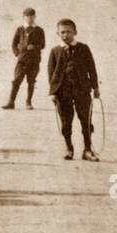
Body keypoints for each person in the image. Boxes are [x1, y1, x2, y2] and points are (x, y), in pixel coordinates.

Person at [47, 19, 100, 161]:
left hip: (82, 90)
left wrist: (95, 88)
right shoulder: (55, 51)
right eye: (62, 32)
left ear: (75, 32)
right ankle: (69, 148)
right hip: (62, 92)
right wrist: (52, 92)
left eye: (68, 32)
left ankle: (87, 150)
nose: (65, 35)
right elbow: (51, 73)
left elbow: (92, 69)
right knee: (65, 121)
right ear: (58, 34)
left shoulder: (84, 48)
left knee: (86, 121)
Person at [3, 7, 46, 109]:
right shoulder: (20, 29)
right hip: (22, 60)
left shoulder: (39, 30)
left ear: (35, 17)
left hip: (34, 60)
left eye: (32, 16)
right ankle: (11, 102)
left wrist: (35, 47)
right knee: (16, 80)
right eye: (27, 17)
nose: (30, 19)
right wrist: (17, 54)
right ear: (24, 17)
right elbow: (14, 44)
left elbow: (43, 44)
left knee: (31, 81)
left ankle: (28, 102)